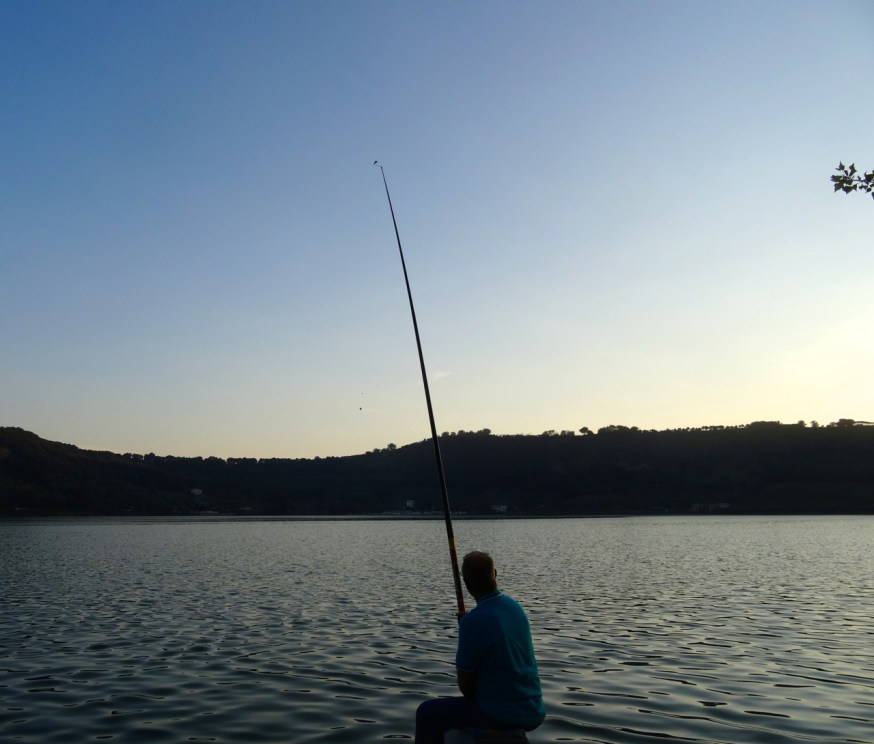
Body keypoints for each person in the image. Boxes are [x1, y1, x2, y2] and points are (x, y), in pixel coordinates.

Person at [415, 551, 545, 744]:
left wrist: (467, 628)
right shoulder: (514, 607)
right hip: (533, 708)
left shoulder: (473, 622)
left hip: (502, 714)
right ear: (495, 573)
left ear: (466, 583)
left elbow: (466, 688)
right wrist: (469, 624)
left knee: (426, 713)